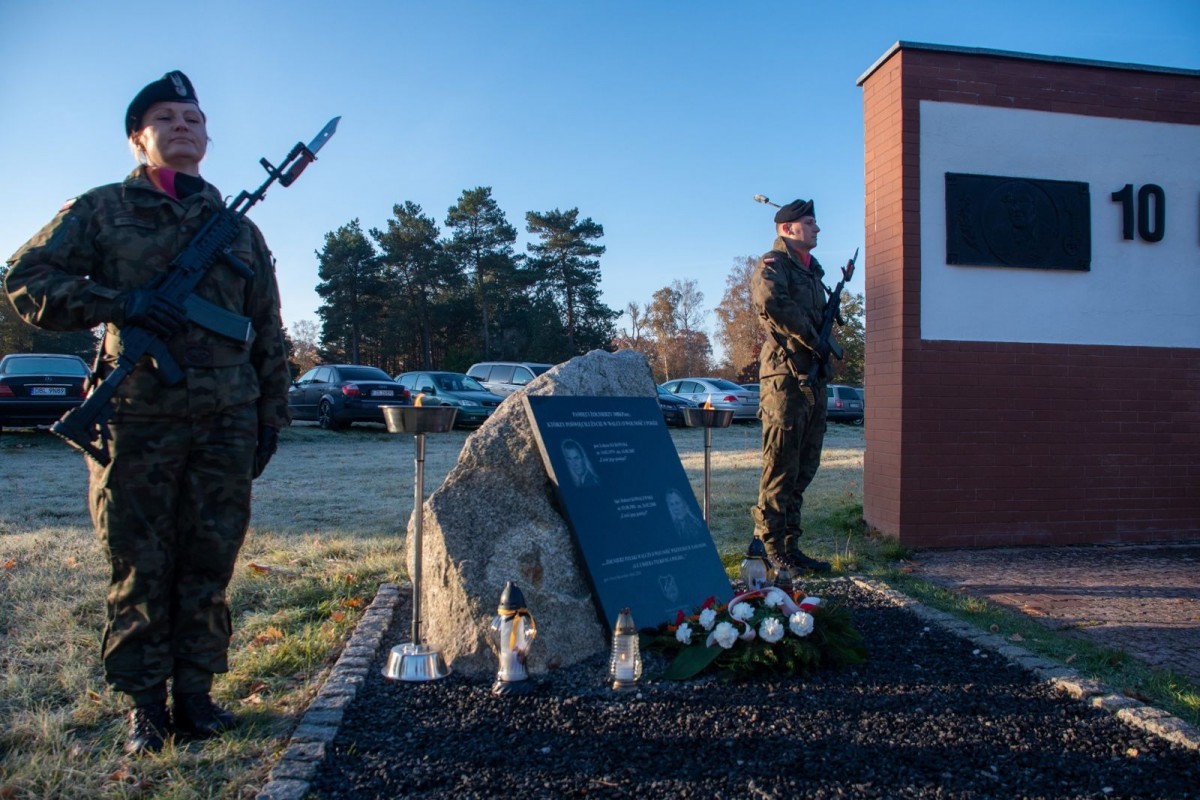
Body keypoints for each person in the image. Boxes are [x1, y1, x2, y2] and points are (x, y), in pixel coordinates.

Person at [4, 71, 291, 754]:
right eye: (165, 118)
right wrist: (120, 304)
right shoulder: (102, 210)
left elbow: (267, 330)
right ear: (138, 139)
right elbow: (24, 279)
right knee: (140, 563)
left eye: (193, 118)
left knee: (209, 560)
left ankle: (196, 698)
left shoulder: (239, 230)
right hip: (136, 417)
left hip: (226, 419)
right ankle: (146, 709)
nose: (182, 126)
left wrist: (269, 417)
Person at [749, 198, 833, 574]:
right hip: (785, 378)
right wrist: (814, 338)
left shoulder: (813, 271)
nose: (817, 229)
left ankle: (790, 546)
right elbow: (771, 302)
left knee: (804, 465)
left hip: (813, 375)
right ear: (787, 228)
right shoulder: (773, 264)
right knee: (781, 463)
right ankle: (769, 548)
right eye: (810, 222)